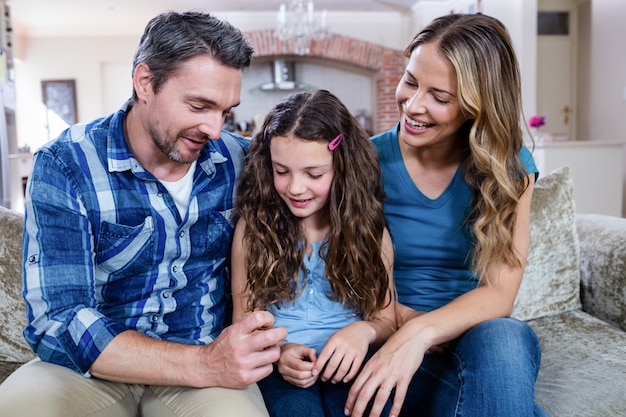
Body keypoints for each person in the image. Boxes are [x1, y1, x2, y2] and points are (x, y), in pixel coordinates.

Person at [0, 11, 287, 417]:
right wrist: (205, 364)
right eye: (199, 105)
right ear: (145, 82)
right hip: (89, 370)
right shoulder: (66, 164)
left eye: (225, 111)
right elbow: (58, 319)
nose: (215, 129)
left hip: (201, 360)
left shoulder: (239, 160)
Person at [344, 13, 548, 417]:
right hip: (385, 334)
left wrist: (422, 330)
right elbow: (338, 269)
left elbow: (499, 293)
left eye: (439, 97)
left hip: (477, 340)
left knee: (505, 337)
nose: (413, 105)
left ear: (477, 106)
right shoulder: (364, 160)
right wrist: (401, 325)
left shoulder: (510, 168)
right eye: (411, 81)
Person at [230, 90, 396, 417]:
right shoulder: (254, 229)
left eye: (314, 174)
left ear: (342, 168)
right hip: (281, 368)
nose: (295, 187)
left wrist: (361, 332)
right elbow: (245, 320)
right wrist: (279, 352)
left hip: (351, 364)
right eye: (281, 171)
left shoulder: (368, 230)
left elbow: (385, 320)